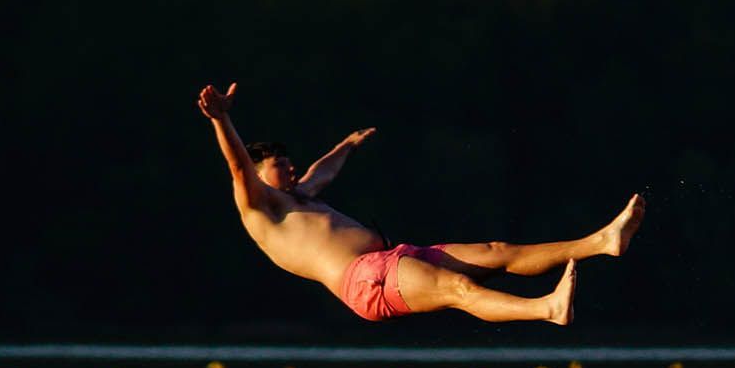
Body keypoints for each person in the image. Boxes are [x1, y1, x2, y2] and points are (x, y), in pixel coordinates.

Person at [196, 83, 642, 325]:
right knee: (459, 290)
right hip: (365, 281)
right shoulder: (260, 208)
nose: (291, 169)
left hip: (392, 259)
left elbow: (322, 172)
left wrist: (347, 146)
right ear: (258, 175)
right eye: (280, 165)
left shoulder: (298, 197)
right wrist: (222, 119)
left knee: (497, 252)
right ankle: (546, 308)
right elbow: (237, 165)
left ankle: (602, 242)